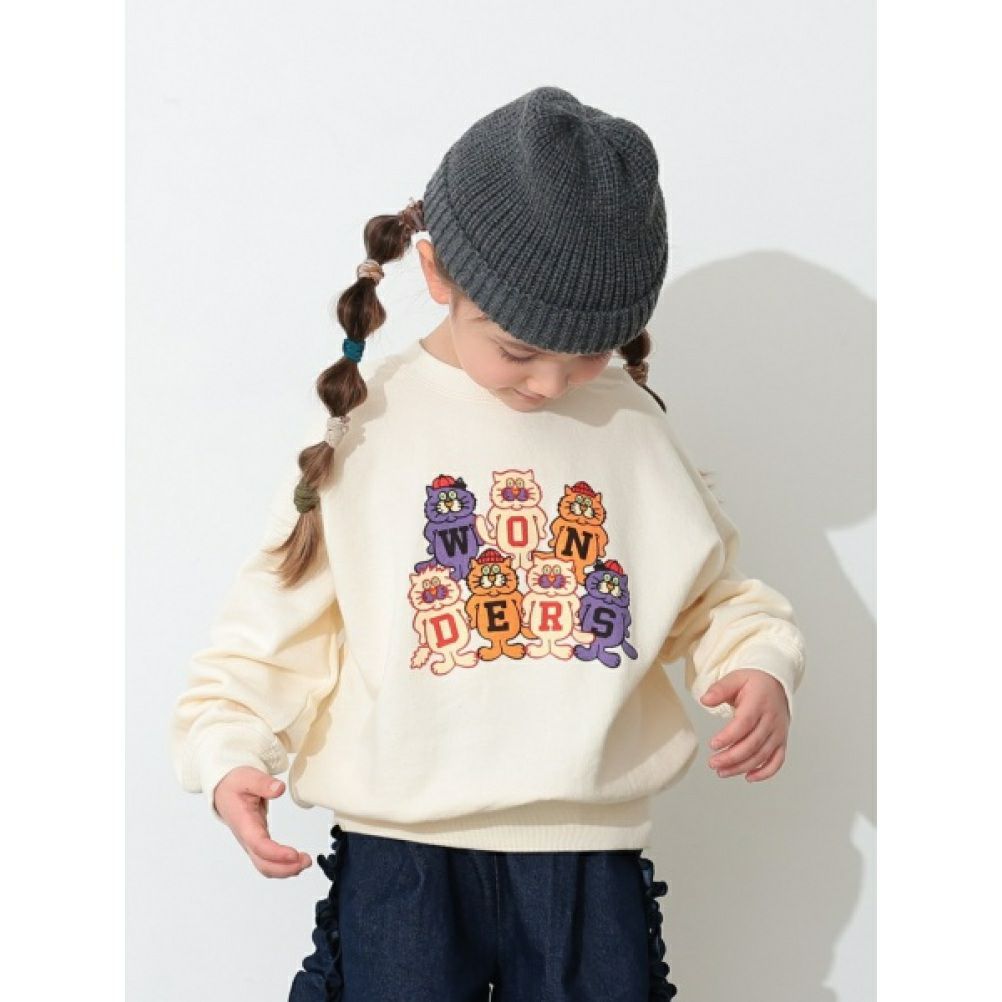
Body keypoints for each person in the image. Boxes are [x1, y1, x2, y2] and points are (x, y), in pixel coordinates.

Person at [169, 85, 806, 1002]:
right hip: (404, 860)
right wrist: (231, 749)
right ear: (436, 273)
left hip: (590, 864)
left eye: (585, 354)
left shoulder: (629, 426)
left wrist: (757, 663)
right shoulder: (368, 426)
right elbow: (270, 630)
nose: (550, 384)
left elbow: (711, 597)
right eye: (517, 350)